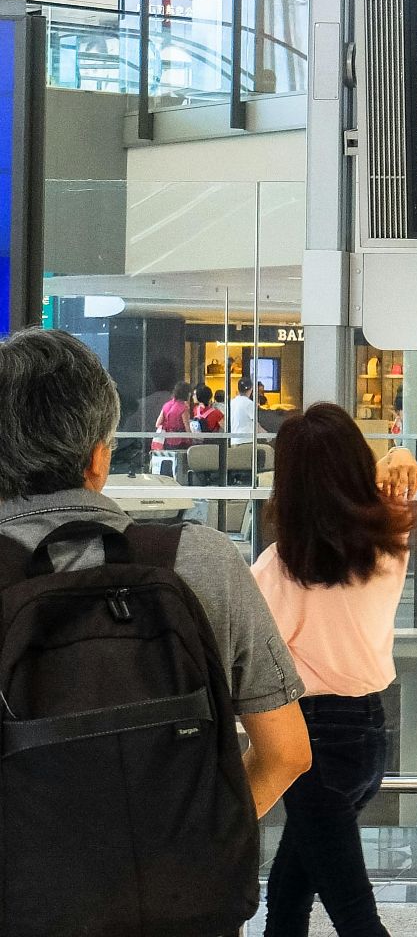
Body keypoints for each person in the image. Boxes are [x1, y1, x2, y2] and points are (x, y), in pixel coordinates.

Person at [0, 330, 312, 828]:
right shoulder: (200, 559)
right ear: (100, 458)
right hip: (178, 895)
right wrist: (200, 848)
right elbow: (287, 753)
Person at [251, 403, 416, 937]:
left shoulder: (278, 570)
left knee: (354, 914)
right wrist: (396, 454)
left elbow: (248, 659)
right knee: (290, 888)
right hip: (371, 735)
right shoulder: (389, 547)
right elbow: (388, 479)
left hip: (310, 743)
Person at [114, 354, 181, 472]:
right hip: (168, 458)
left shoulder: (140, 406)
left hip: (144, 459)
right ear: (176, 378)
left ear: (151, 377)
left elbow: (128, 435)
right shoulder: (183, 407)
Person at [153, 380, 196, 456]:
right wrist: (192, 440)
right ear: (187, 394)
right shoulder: (183, 408)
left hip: (167, 440)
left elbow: (157, 424)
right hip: (181, 440)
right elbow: (187, 427)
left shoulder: (166, 405)